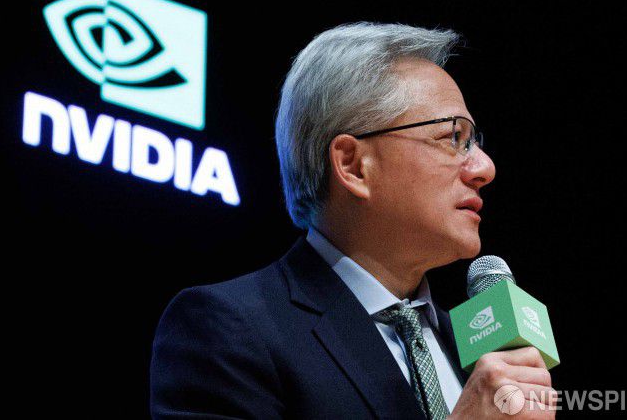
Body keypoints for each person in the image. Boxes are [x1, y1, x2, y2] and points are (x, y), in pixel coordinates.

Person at [150, 23, 556, 419]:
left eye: (474, 142)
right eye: (453, 138)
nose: (485, 168)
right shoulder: (228, 328)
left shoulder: (478, 351)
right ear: (352, 165)